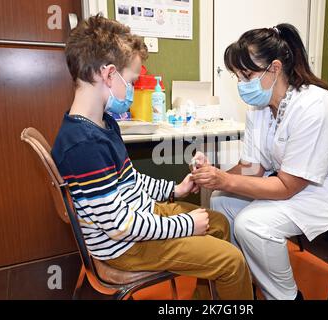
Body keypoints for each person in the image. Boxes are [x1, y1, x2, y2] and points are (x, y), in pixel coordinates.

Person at [51, 15, 253, 300]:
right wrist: (186, 225)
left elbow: (130, 181)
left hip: (138, 220)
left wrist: (175, 189)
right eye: (132, 80)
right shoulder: (83, 146)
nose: (132, 89)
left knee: (218, 221)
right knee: (232, 261)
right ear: (109, 75)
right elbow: (120, 226)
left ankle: (204, 296)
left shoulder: (103, 124)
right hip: (126, 246)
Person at [191, 24, 328, 300]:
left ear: (274, 68)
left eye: (246, 75)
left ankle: (286, 296)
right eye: (237, 76)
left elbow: (287, 186)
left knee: (251, 224)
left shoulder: (314, 106)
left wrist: (224, 178)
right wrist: (214, 175)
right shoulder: (260, 108)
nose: (241, 84)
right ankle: (242, 282)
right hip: (294, 182)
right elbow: (252, 168)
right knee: (220, 199)